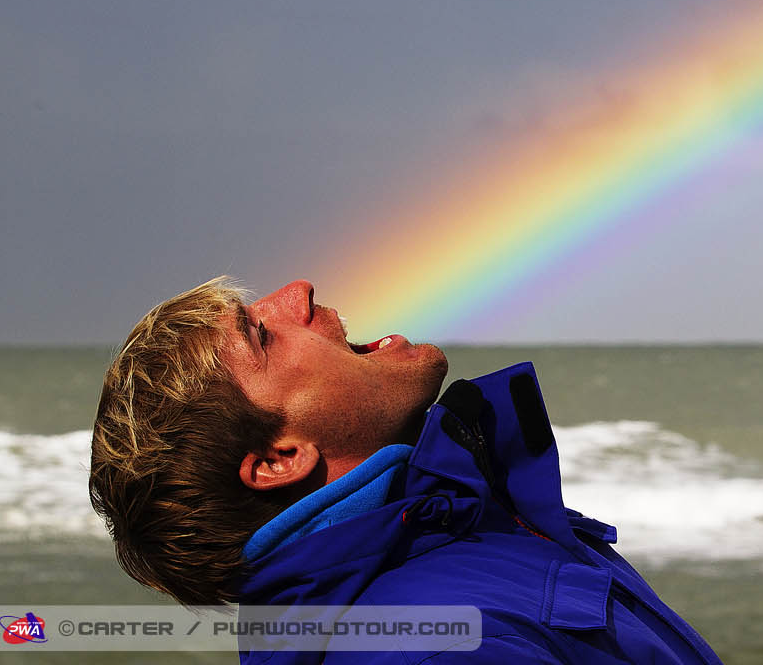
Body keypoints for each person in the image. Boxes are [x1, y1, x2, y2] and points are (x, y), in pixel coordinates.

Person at [89, 276, 724, 664]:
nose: (299, 292)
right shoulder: (432, 650)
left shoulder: (473, 529)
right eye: (262, 336)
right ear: (282, 459)